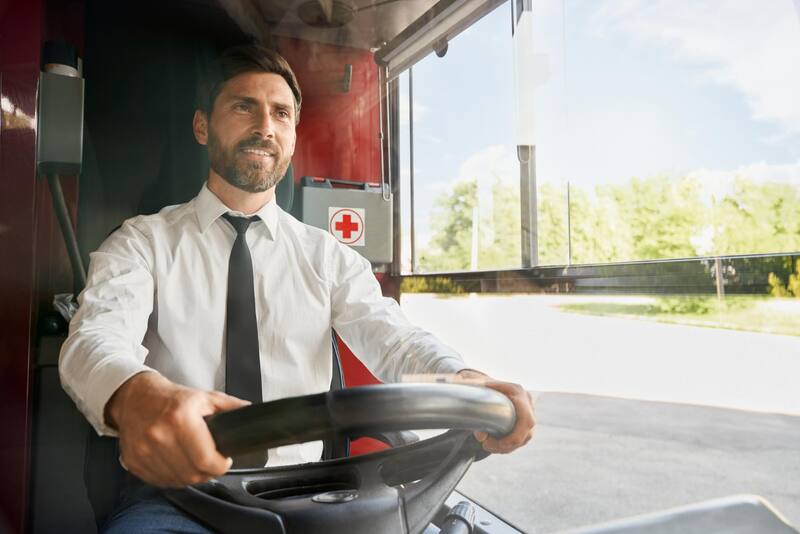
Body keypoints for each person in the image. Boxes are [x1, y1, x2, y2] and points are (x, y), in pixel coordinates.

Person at [59, 44, 534, 532]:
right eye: (244, 106)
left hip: (313, 491)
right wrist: (138, 396)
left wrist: (461, 376)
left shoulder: (327, 257)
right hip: (180, 497)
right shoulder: (143, 242)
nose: (265, 125)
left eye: (281, 113)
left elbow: (394, 339)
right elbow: (94, 340)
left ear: (291, 135)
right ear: (202, 127)